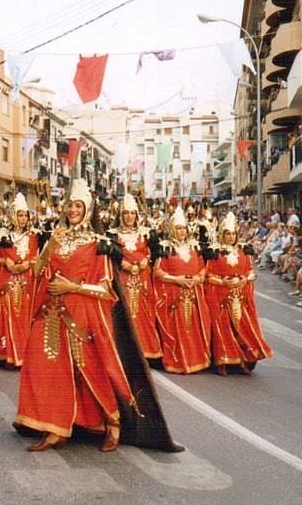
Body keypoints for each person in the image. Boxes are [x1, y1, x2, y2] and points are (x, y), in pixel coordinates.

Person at [15, 179, 181, 453]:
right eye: (70, 205)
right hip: (51, 312)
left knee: (93, 369)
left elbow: (105, 289)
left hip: (84, 315)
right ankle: (54, 427)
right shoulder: (56, 237)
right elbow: (37, 272)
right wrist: (48, 247)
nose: (73, 210)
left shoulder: (98, 243)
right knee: (48, 370)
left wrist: (72, 287)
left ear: (88, 209)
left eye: (78, 206)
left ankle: (112, 422)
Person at [205, 212, 273, 374]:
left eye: (233, 233)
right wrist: (224, 282)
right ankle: (223, 361)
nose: (231, 237)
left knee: (242, 329)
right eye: (227, 234)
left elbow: (251, 272)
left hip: (240, 297)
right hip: (221, 298)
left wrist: (244, 280)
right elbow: (208, 276)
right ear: (222, 234)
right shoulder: (215, 252)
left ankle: (243, 359)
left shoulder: (244, 250)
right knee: (223, 328)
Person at [152, 207, 211, 374]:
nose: (181, 231)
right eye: (178, 228)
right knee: (176, 329)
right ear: (172, 229)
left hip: (193, 295)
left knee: (194, 328)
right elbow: (157, 271)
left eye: (183, 228)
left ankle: (197, 359)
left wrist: (197, 279)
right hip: (173, 296)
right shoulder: (165, 247)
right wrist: (176, 280)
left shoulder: (195, 247)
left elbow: (202, 269)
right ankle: (177, 361)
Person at [0, 193, 41, 368]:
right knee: (8, 315)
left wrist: (27, 263)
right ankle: (9, 355)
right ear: (13, 215)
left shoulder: (34, 236)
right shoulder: (2, 235)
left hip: (27, 280)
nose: (23, 218)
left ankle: (24, 355)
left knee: (25, 318)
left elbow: (39, 257)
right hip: (7, 279)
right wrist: (6, 262)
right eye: (20, 214)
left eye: (25, 215)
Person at [107, 193, 161, 360]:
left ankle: (148, 351)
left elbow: (157, 252)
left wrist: (147, 259)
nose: (129, 216)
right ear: (120, 215)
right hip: (122, 278)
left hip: (143, 280)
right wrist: (122, 262)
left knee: (144, 314)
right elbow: (109, 254)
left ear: (137, 215)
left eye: (132, 213)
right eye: (125, 213)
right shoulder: (112, 234)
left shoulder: (147, 233)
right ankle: (125, 353)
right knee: (124, 312)